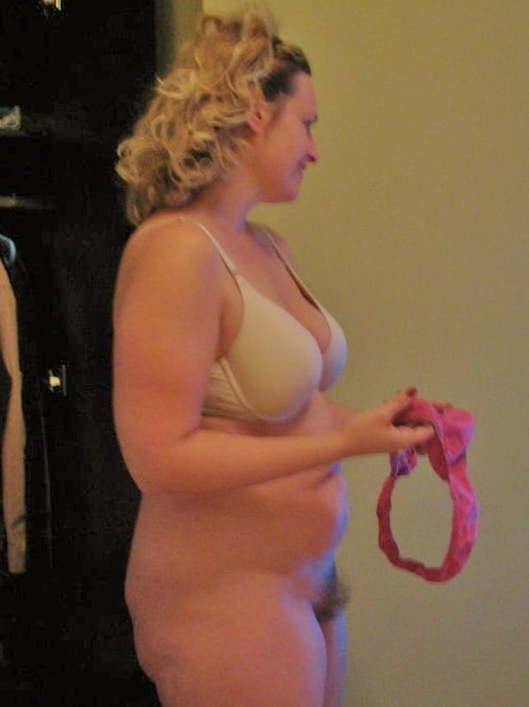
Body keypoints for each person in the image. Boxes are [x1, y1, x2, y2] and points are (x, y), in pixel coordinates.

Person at [112, 9, 434, 707]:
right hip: (222, 595)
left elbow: (283, 409)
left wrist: (383, 425)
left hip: (305, 578)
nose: (314, 150)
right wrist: (344, 443)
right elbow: (157, 457)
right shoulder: (176, 251)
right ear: (256, 115)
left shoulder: (264, 245)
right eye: (307, 123)